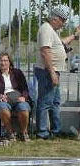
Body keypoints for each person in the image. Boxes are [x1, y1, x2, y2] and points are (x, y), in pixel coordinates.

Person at [35, 5, 80, 140]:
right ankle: (42, 133)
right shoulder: (46, 30)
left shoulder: (51, 31)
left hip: (52, 71)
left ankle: (55, 130)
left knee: (54, 102)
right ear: (55, 18)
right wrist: (52, 73)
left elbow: (60, 43)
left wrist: (75, 36)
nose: (64, 23)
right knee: (45, 102)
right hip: (48, 71)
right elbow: (45, 52)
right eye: (63, 20)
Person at [0, 52, 31, 141]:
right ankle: (10, 133)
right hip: (5, 99)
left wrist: (24, 97)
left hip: (18, 97)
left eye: (5, 60)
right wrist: (0, 96)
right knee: (2, 107)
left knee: (24, 108)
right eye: (0, 61)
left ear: (9, 62)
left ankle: (24, 133)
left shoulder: (17, 73)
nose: (3, 63)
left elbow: (25, 88)